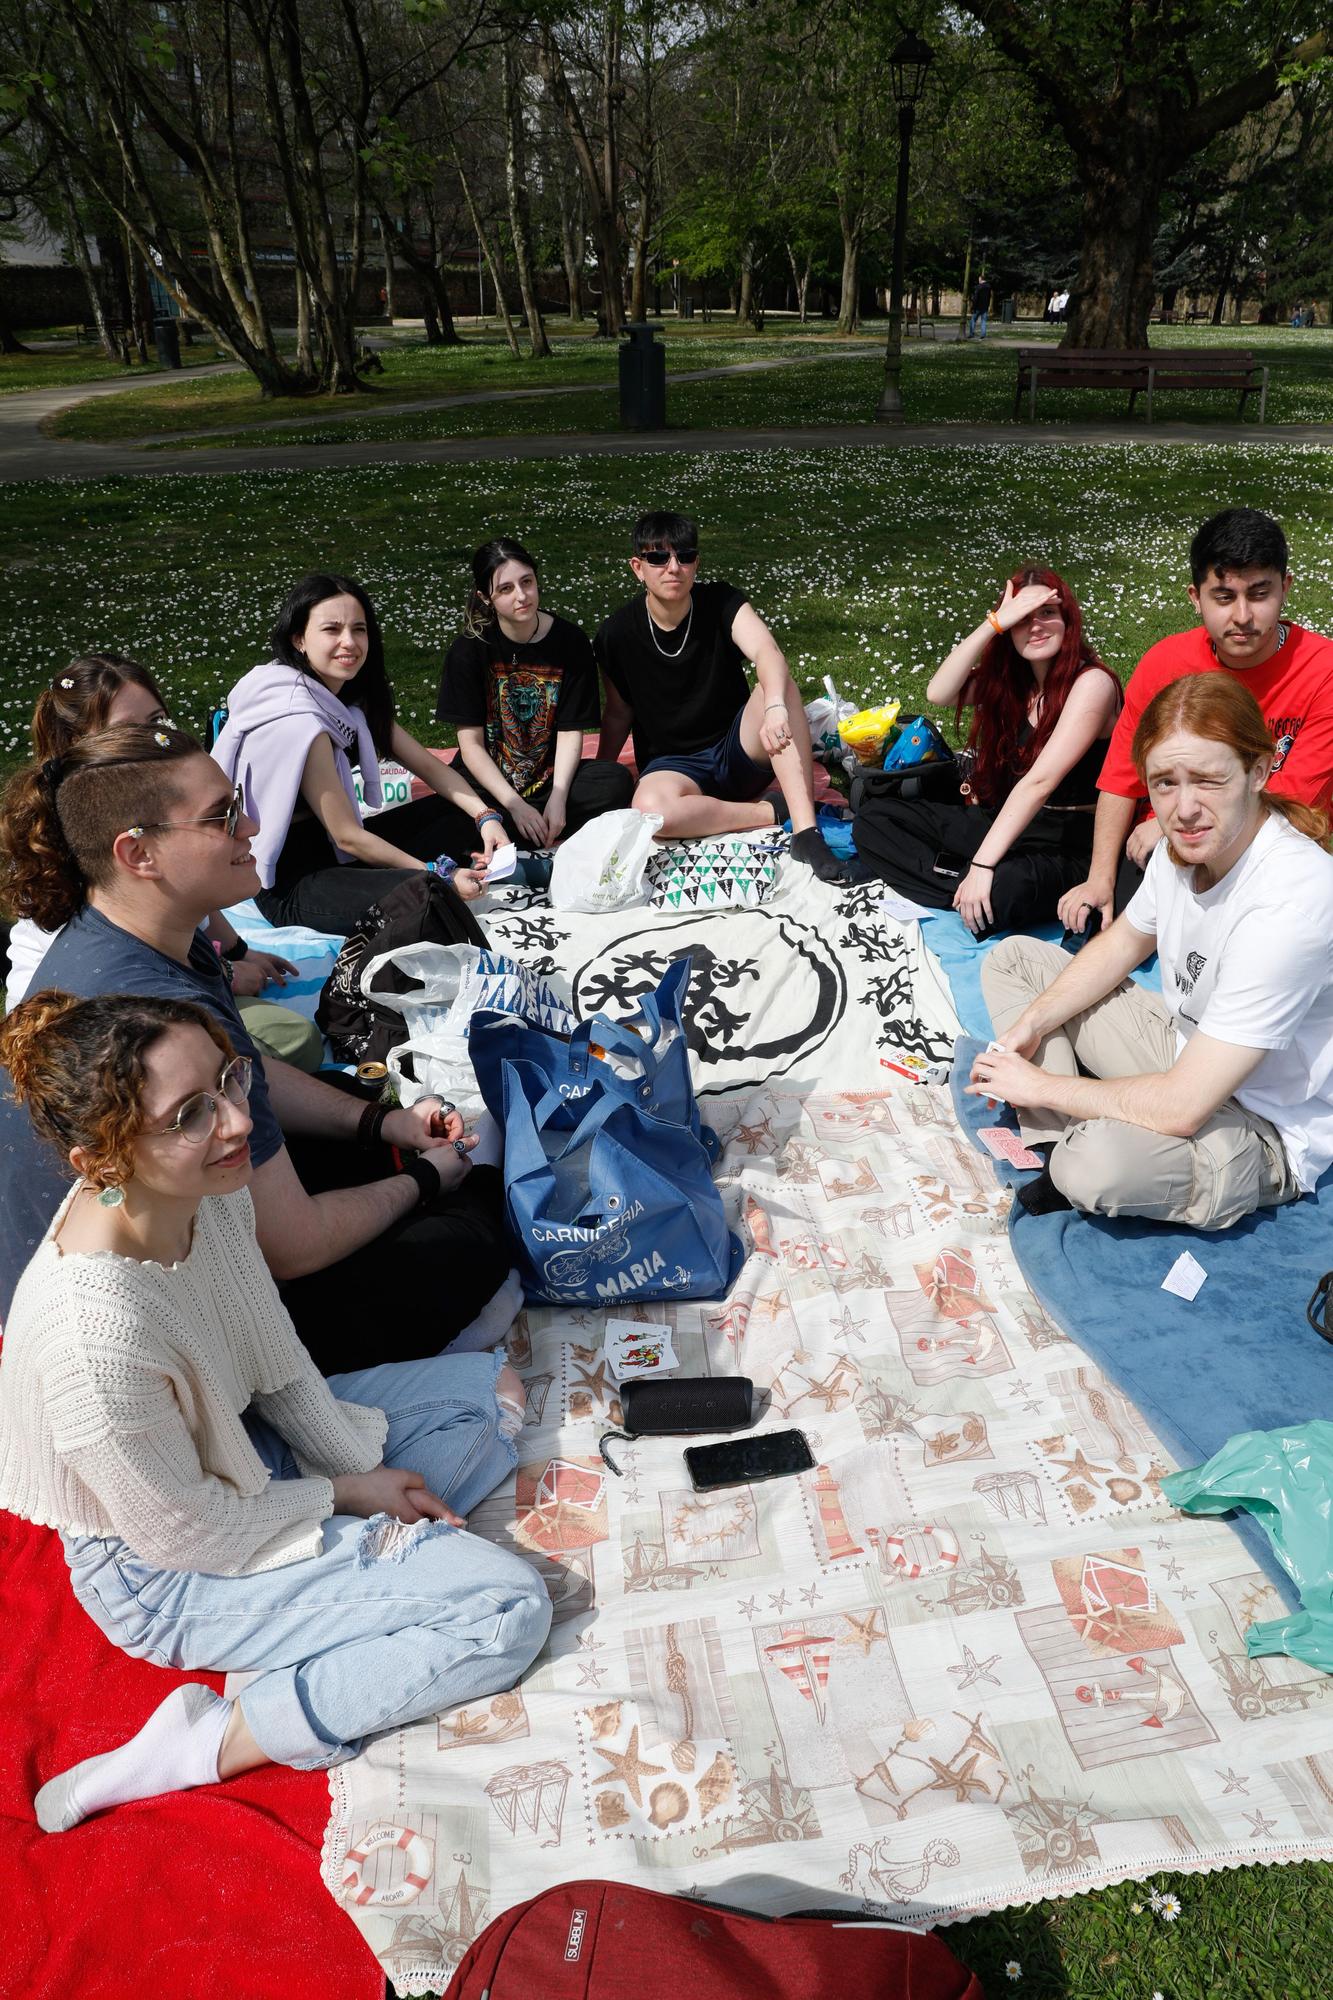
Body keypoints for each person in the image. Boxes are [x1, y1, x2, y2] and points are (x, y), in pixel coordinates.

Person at [0, 989, 549, 1833]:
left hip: (246, 1455)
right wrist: (345, 1499)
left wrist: (352, 1470)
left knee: (487, 1395)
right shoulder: (93, 1336)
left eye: (227, 1080)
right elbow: (182, 1532)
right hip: (168, 1570)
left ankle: (323, 1615)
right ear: (99, 1160)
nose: (232, 1122)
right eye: (188, 1113)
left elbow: (276, 1359)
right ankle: (215, 1736)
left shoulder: (207, 1191)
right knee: (504, 1608)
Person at [0, 724, 518, 1364]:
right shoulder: (147, 1011)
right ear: (138, 854)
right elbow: (291, 1247)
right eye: (222, 816)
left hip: (182, 1231)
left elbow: (253, 1072)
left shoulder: (144, 927)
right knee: (473, 1229)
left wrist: (385, 1124)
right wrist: (424, 1181)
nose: (250, 825)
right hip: (140, 1336)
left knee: (354, 1107)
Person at [970, 673, 1333, 1230]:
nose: (1184, 808)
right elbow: (1122, 943)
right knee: (1016, 961)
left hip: (1263, 1126)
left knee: (1096, 1163)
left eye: (1209, 780)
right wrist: (1034, 1025)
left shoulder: (1290, 905)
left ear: (1258, 771)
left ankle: (1072, 1143)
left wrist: (1038, 1085)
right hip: (1186, 1051)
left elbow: (1185, 1105)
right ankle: (1058, 1142)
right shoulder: (1181, 846)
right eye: (1164, 783)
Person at [5, 653, 323, 1073]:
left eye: (157, 721)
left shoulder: (174, 868)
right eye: (130, 730)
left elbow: (194, 888)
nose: (250, 827)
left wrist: (237, 951)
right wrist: (228, 972)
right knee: (290, 1043)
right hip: (98, 1036)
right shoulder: (90, 846)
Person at [1058, 507, 1333, 935]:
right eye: (1224, 597)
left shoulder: (1323, 671)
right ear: (1195, 597)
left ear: (1286, 588)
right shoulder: (1166, 662)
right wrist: (1099, 879)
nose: (1243, 616)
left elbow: (1292, 803)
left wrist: (1165, 833)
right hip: (1171, 842)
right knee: (1116, 915)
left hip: (1273, 848)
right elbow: (1120, 779)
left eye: (1260, 594)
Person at [214, 573, 507, 937]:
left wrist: (485, 817)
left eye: (359, 629)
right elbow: (348, 836)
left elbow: (430, 766)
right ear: (298, 639)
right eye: (332, 630)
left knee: (465, 809)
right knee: (427, 897)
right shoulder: (301, 720)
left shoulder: (351, 700)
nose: (348, 643)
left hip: (340, 852)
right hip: (297, 883)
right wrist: (438, 874)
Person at [853, 569, 1121, 935]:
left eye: (1046, 613)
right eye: (1022, 618)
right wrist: (992, 624)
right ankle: (965, 887)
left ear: (1067, 620)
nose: (1036, 626)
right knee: (875, 819)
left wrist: (981, 866)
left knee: (1003, 891)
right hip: (1007, 819)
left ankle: (965, 884)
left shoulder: (1092, 683)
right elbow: (939, 693)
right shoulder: (1014, 683)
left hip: (1067, 839)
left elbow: (1040, 782)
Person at [594, 511, 852, 884]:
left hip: (738, 749)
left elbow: (767, 652)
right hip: (674, 767)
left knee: (777, 684)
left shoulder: (720, 601)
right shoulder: (615, 633)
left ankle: (806, 832)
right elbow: (618, 713)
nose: (673, 568)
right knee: (651, 810)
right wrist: (604, 774)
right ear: (638, 567)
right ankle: (769, 812)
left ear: (696, 563)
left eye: (684, 557)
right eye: (658, 558)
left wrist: (776, 706)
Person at [436, 539, 633, 847]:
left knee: (616, 782)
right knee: (452, 798)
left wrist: (558, 797)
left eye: (526, 582)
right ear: (485, 597)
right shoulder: (468, 650)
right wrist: (514, 805)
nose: (521, 596)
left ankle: (518, 830)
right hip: (490, 784)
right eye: (506, 589)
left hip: (549, 778)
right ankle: (515, 825)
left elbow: (571, 731)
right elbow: (471, 746)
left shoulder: (571, 641)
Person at [969, 274, 992, 340]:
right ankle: (983, 334)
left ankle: (971, 334)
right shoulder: (988, 287)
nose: (978, 280)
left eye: (979, 279)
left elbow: (976, 298)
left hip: (978, 307)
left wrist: (973, 307)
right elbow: (989, 297)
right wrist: (987, 305)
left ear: (981, 279)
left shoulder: (978, 287)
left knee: (973, 320)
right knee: (983, 321)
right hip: (985, 307)